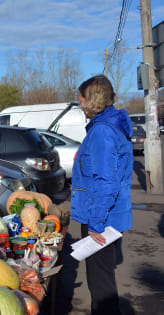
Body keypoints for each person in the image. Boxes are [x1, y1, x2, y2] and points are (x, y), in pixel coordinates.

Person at [71, 74, 133, 315]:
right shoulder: (110, 127)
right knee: (102, 281)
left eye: (82, 99)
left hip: (102, 221)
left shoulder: (102, 133)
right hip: (108, 218)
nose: (80, 104)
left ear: (91, 100)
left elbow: (106, 182)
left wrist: (95, 224)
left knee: (101, 285)